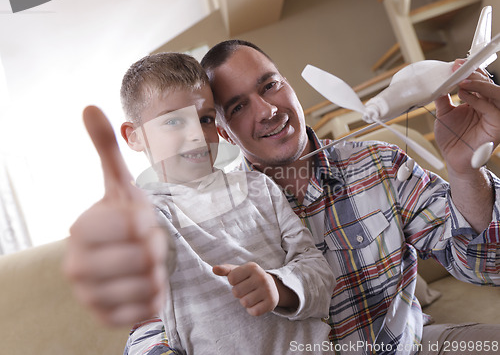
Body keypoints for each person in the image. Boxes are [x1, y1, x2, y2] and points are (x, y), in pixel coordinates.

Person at [66, 41, 500, 355]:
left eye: (269, 85)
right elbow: (154, 325)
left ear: (289, 85)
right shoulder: (197, 213)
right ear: (223, 130)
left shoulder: (380, 164)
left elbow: (487, 265)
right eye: (236, 107)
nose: (266, 110)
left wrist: (466, 172)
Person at [65, 52, 335, 355]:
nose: (196, 135)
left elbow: (319, 274)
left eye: (205, 119)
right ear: (134, 137)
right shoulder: (148, 216)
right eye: (174, 121)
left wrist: (278, 286)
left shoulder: (259, 189)